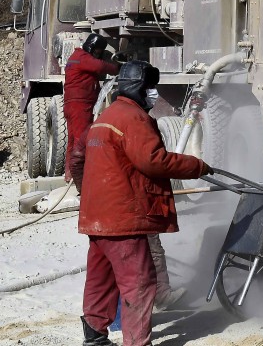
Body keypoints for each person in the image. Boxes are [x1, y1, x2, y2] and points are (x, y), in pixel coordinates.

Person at [75, 61, 212, 346]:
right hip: (123, 219)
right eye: (151, 88)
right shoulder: (134, 118)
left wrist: (88, 195)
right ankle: (138, 342)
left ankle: (95, 336)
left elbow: (77, 157)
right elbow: (154, 161)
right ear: (140, 88)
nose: (154, 94)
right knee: (139, 283)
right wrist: (196, 166)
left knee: (102, 279)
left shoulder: (105, 116)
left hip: (97, 218)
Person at [64, 33, 119, 172]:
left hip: (72, 104)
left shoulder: (74, 57)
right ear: (93, 48)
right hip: (80, 105)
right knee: (81, 141)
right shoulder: (83, 58)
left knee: (72, 141)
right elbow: (100, 67)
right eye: (99, 51)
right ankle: (80, 178)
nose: (99, 54)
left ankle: (69, 174)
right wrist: (119, 68)